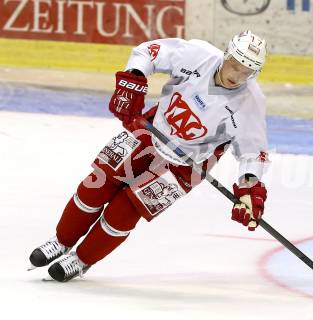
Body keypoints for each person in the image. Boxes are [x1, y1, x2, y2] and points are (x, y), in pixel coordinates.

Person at [28, 30, 269, 282]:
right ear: (226, 54)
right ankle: (61, 241)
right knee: (96, 185)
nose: (236, 76)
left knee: (123, 211)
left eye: (247, 71)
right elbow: (148, 52)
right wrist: (133, 79)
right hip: (151, 131)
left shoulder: (251, 102)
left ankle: (81, 260)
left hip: (186, 165)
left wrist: (249, 188)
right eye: (234, 65)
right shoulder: (197, 55)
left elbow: (253, 151)